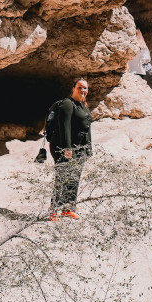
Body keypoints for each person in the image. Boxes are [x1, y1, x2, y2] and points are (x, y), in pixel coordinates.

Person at [48, 78, 92, 221]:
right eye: (80, 87)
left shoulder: (83, 105)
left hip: (79, 147)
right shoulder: (67, 104)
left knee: (74, 178)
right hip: (63, 146)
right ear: (73, 88)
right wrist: (67, 148)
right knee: (63, 177)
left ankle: (68, 208)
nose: (82, 90)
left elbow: (87, 128)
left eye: (85, 88)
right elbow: (64, 127)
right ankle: (53, 209)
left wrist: (88, 149)